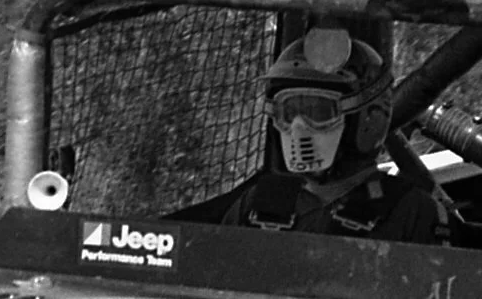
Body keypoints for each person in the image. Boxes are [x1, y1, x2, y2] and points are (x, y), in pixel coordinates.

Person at [176, 24, 447, 243]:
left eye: (317, 111)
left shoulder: (411, 211)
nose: (298, 126)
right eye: (288, 111)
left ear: (369, 120)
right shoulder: (258, 203)